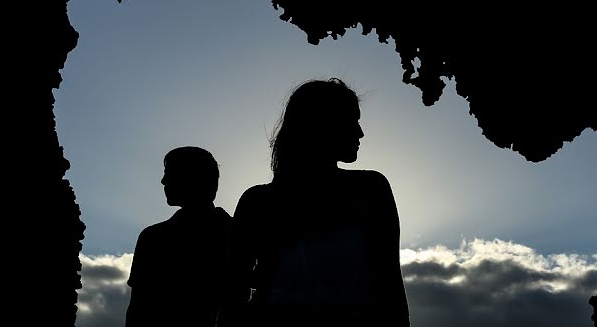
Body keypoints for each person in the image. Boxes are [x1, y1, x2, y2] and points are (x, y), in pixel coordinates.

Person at [219, 79, 410, 327]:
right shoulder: (370, 189)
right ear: (323, 124)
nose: (360, 132)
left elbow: (234, 296)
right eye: (352, 120)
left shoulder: (257, 201)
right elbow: (389, 282)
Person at [126, 146, 233, 327]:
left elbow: (138, 309)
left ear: (192, 178)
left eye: (170, 173)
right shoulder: (233, 231)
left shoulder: (154, 238)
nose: (163, 181)